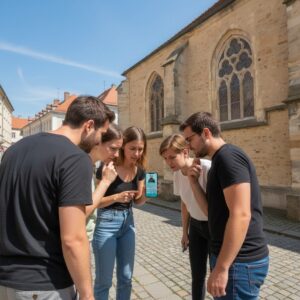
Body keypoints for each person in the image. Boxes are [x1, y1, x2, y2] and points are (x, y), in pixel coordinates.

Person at [0, 95, 114, 300]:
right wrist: (88, 295)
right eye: (102, 133)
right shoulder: (74, 158)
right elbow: (73, 238)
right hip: (44, 284)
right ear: (89, 125)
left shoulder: (13, 151)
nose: (99, 140)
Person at [180, 112, 269, 300]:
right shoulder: (218, 160)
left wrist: (221, 267)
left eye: (189, 139)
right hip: (230, 261)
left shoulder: (228, 158)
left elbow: (241, 214)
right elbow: (210, 212)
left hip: (239, 263)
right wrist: (193, 183)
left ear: (205, 133)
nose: (188, 146)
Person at [92, 126, 147, 300]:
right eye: (133, 148)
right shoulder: (108, 167)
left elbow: (138, 201)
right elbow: (95, 202)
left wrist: (145, 193)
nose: (137, 153)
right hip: (106, 223)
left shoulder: (140, 170)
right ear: (123, 146)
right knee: (104, 281)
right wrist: (117, 197)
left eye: (140, 149)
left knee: (126, 277)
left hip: (128, 223)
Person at [159, 133, 210, 300]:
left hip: (213, 227)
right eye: (166, 158)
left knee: (218, 274)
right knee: (197, 275)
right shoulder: (177, 174)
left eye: (172, 157)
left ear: (186, 152)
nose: (169, 162)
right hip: (196, 228)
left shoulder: (206, 168)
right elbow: (184, 203)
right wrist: (184, 232)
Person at [86, 123, 123, 241]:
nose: (117, 154)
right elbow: (80, 214)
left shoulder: (89, 166)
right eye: (113, 148)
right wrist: (106, 181)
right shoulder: (81, 166)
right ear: (97, 141)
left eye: (119, 149)